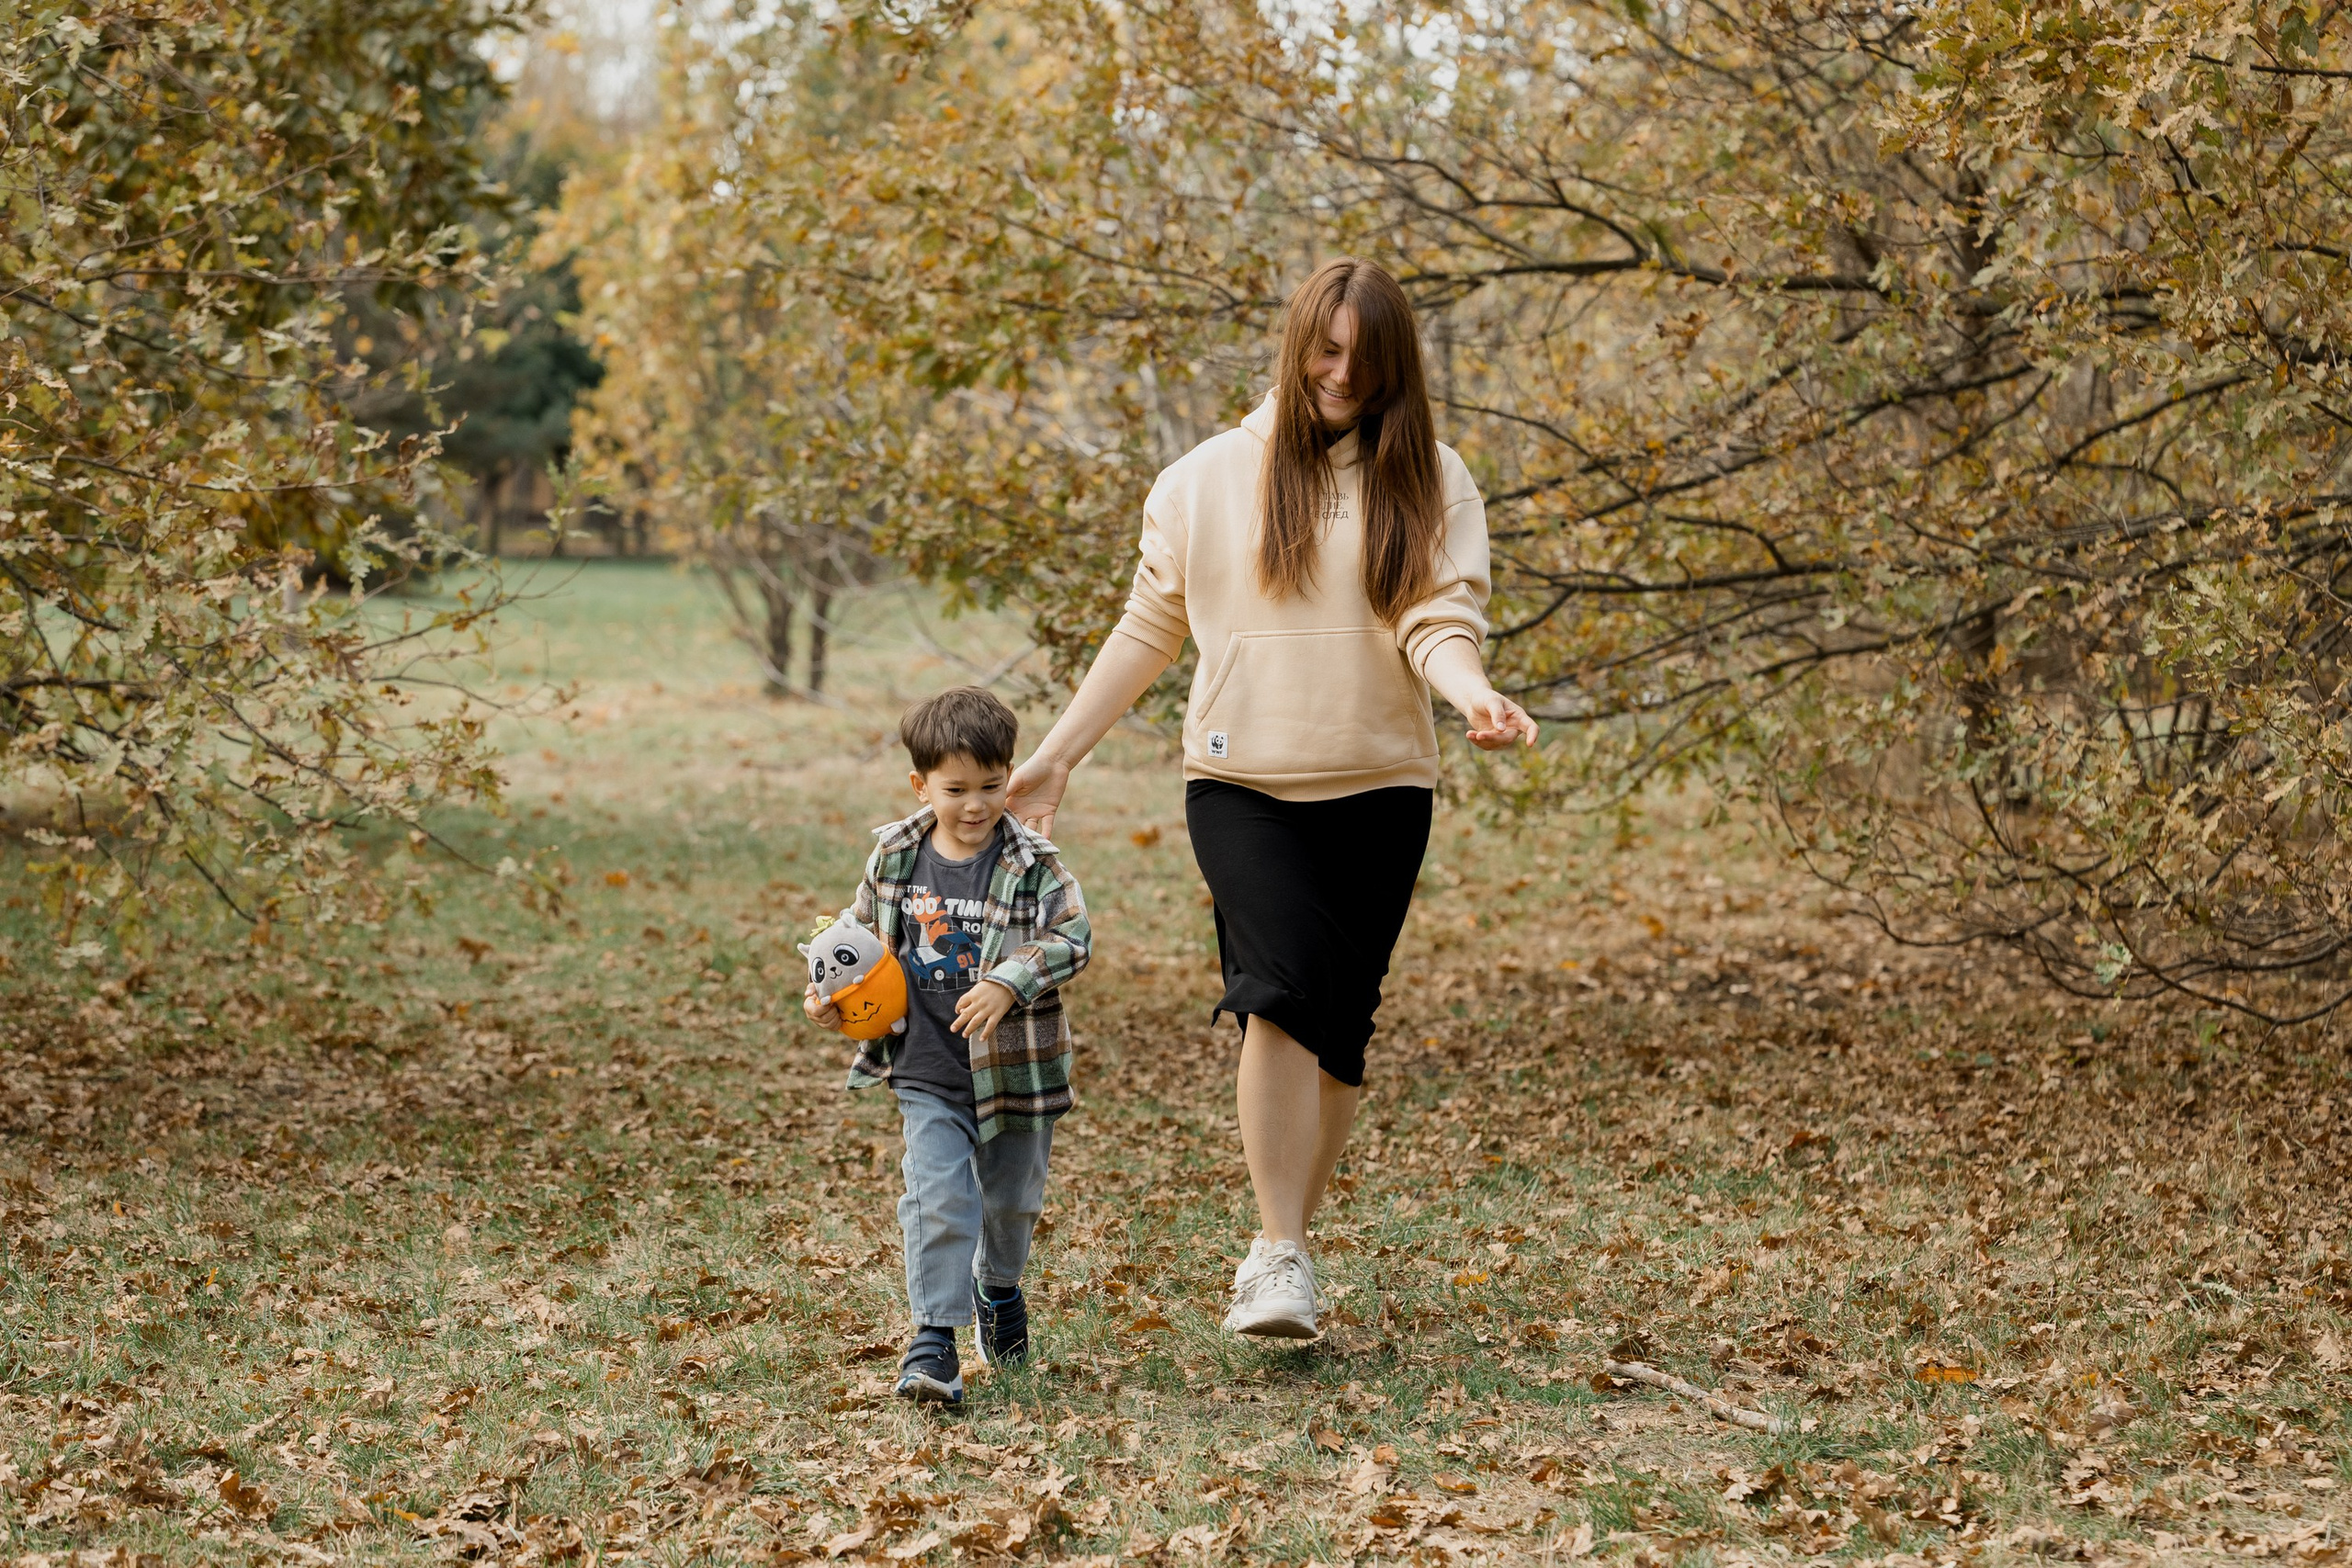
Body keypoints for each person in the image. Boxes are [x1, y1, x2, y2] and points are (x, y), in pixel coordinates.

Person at [1005, 257, 1536, 1340]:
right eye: (1327, 350)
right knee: (1280, 993)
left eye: (1367, 360)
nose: (1343, 376)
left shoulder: (1431, 476)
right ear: (1296, 345)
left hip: (1382, 784)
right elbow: (1149, 626)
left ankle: (1284, 1244)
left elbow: (1436, 617)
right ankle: (1277, 1251)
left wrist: (1472, 693)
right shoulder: (1200, 480)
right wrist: (1059, 754)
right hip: (1241, 781)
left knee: (1339, 1034)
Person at [805, 686, 1091, 1404]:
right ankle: (933, 1342)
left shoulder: (1034, 863)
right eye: (956, 788)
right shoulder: (897, 856)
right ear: (920, 784)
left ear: (1009, 774)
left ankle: (998, 1287)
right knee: (936, 1197)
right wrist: (828, 995)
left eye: (991, 786)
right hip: (927, 1067)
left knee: (1011, 1203)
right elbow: (856, 939)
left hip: (1016, 1072)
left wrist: (1008, 979)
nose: (975, 804)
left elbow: (1074, 935)